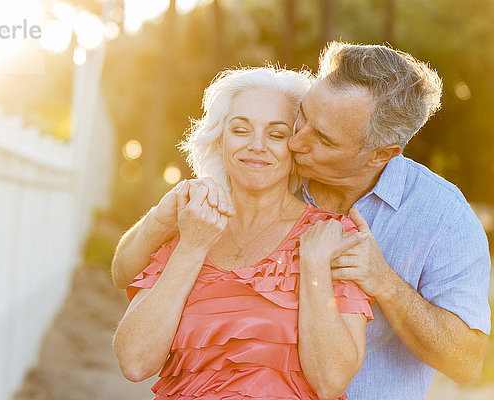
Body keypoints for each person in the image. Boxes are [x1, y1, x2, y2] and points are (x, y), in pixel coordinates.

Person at [112, 42, 491, 400]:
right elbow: (124, 279)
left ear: (381, 154)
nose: (294, 142)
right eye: (302, 119)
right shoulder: (254, 183)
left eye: (322, 138)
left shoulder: (442, 216)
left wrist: (384, 282)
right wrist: (162, 223)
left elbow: (466, 363)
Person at [112, 67, 374, 400]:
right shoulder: (193, 224)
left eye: (276, 134)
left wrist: (314, 267)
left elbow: (330, 381)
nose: (256, 146)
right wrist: (192, 247)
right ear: (219, 140)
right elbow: (134, 362)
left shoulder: (330, 236)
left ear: (296, 148)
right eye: (240, 130)